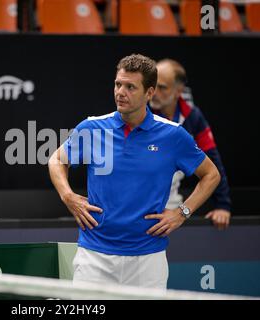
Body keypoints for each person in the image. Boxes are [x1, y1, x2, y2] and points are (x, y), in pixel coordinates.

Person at [48, 53, 220, 289]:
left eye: (130, 87)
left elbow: (211, 175)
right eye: (118, 84)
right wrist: (67, 196)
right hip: (94, 257)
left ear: (149, 93)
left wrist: (182, 212)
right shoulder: (92, 127)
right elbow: (56, 160)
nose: (121, 92)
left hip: (148, 261)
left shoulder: (173, 135)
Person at [150, 59, 231, 230]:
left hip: (170, 202)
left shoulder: (193, 117)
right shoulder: (141, 113)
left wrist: (222, 206)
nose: (154, 92)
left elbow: (213, 163)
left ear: (178, 90)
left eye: (162, 87)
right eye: (153, 85)